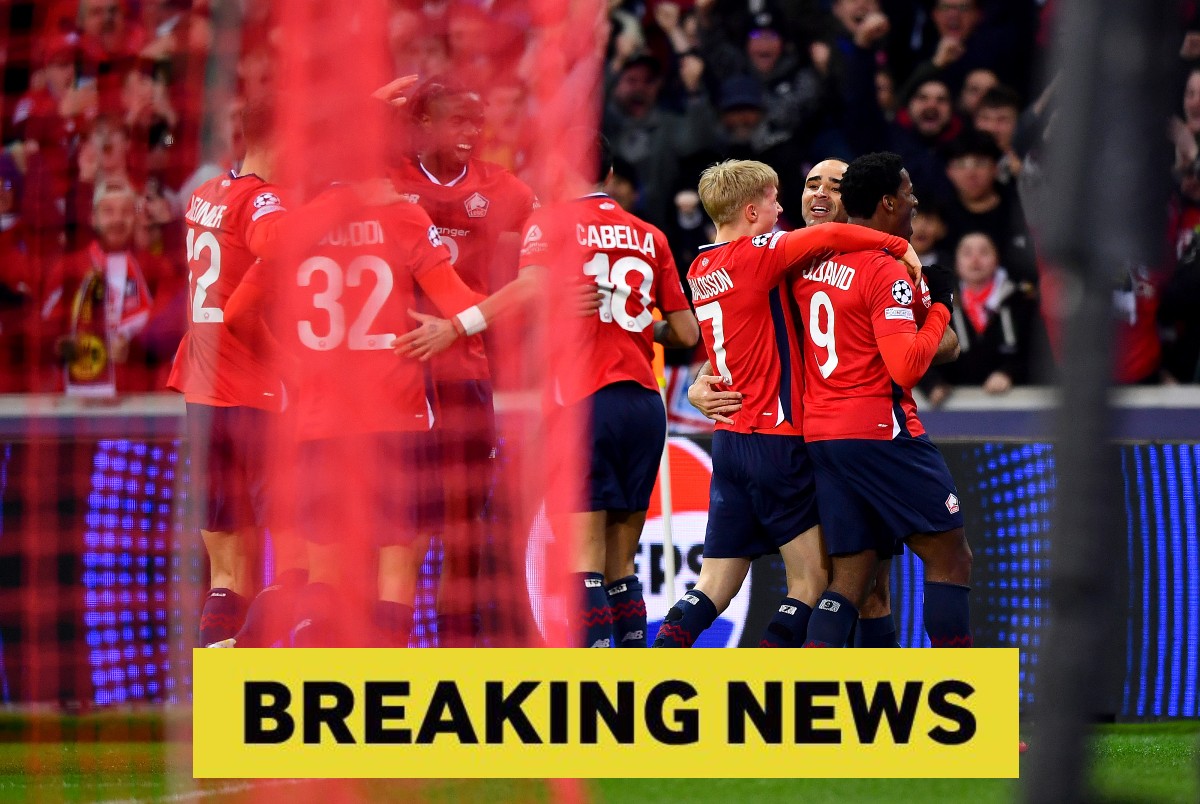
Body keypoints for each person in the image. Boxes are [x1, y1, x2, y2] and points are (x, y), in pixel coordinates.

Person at [651, 158, 921, 649]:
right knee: (820, 582)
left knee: (716, 583)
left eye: (832, 186)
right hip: (790, 437)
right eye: (801, 187)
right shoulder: (768, 252)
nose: (804, 197)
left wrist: (701, 383)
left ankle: (656, 660)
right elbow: (826, 241)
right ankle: (774, 682)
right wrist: (901, 247)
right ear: (753, 210)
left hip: (736, 439)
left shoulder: (703, 264)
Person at [168, 100, 396, 648]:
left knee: (226, 571)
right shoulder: (262, 201)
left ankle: (215, 702)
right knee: (297, 566)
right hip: (256, 398)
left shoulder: (205, 196)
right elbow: (274, 240)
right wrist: (348, 198)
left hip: (202, 396)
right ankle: (251, 666)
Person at [520, 134, 699, 648]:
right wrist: (640, 326)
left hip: (580, 400)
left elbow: (523, 310)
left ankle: (594, 691)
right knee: (622, 562)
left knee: (582, 559)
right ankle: (631, 680)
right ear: (610, 169)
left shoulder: (546, 226)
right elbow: (686, 334)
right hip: (643, 403)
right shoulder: (650, 234)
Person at [791, 151, 973, 649]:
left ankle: (808, 704)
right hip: (880, 430)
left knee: (852, 577)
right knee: (950, 556)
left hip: (823, 436)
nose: (916, 202)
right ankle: (970, 719)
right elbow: (910, 365)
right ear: (889, 202)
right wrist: (940, 306)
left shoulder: (808, 266)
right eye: (910, 193)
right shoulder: (886, 271)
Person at [389, 76, 539, 647]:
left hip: (465, 373)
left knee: (462, 526)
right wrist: (380, 104)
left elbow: (548, 251)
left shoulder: (505, 190)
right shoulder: (389, 179)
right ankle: (388, 655)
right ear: (421, 125)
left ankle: (457, 655)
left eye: (478, 123)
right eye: (457, 120)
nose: (472, 134)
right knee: (398, 531)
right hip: (396, 374)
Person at [920, 231, 1043, 402]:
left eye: (984, 252)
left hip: (1015, 408)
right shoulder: (937, 305)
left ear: (997, 259)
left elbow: (1037, 355)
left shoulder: (1021, 302)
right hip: (955, 415)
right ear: (956, 262)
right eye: (967, 253)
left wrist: (1008, 373)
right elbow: (922, 357)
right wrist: (932, 385)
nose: (975, 260)